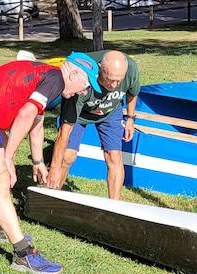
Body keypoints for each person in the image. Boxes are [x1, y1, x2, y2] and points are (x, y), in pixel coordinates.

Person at [0, 53, 99, 274]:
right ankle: (23, 254)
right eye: (85, 85)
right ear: (73, 73)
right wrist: (8, 157)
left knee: (6, 177)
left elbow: (36, 121)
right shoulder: (57, 79)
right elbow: (27, 114)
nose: (83, 92)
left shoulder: (49, 76)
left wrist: (37, 161)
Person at [46, 49, 139, 200]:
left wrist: (130, 118)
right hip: (80, 112)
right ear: (100, 67)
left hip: (110, 110)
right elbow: (64, 134)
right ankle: (51, 198)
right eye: (110, 80)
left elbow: (132, 92)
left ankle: (114, 208)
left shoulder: (131, 69)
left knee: (114, 157)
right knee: (68, 157)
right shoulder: (83, 80)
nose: (115, 85)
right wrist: (54, 168)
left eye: (119, 80)